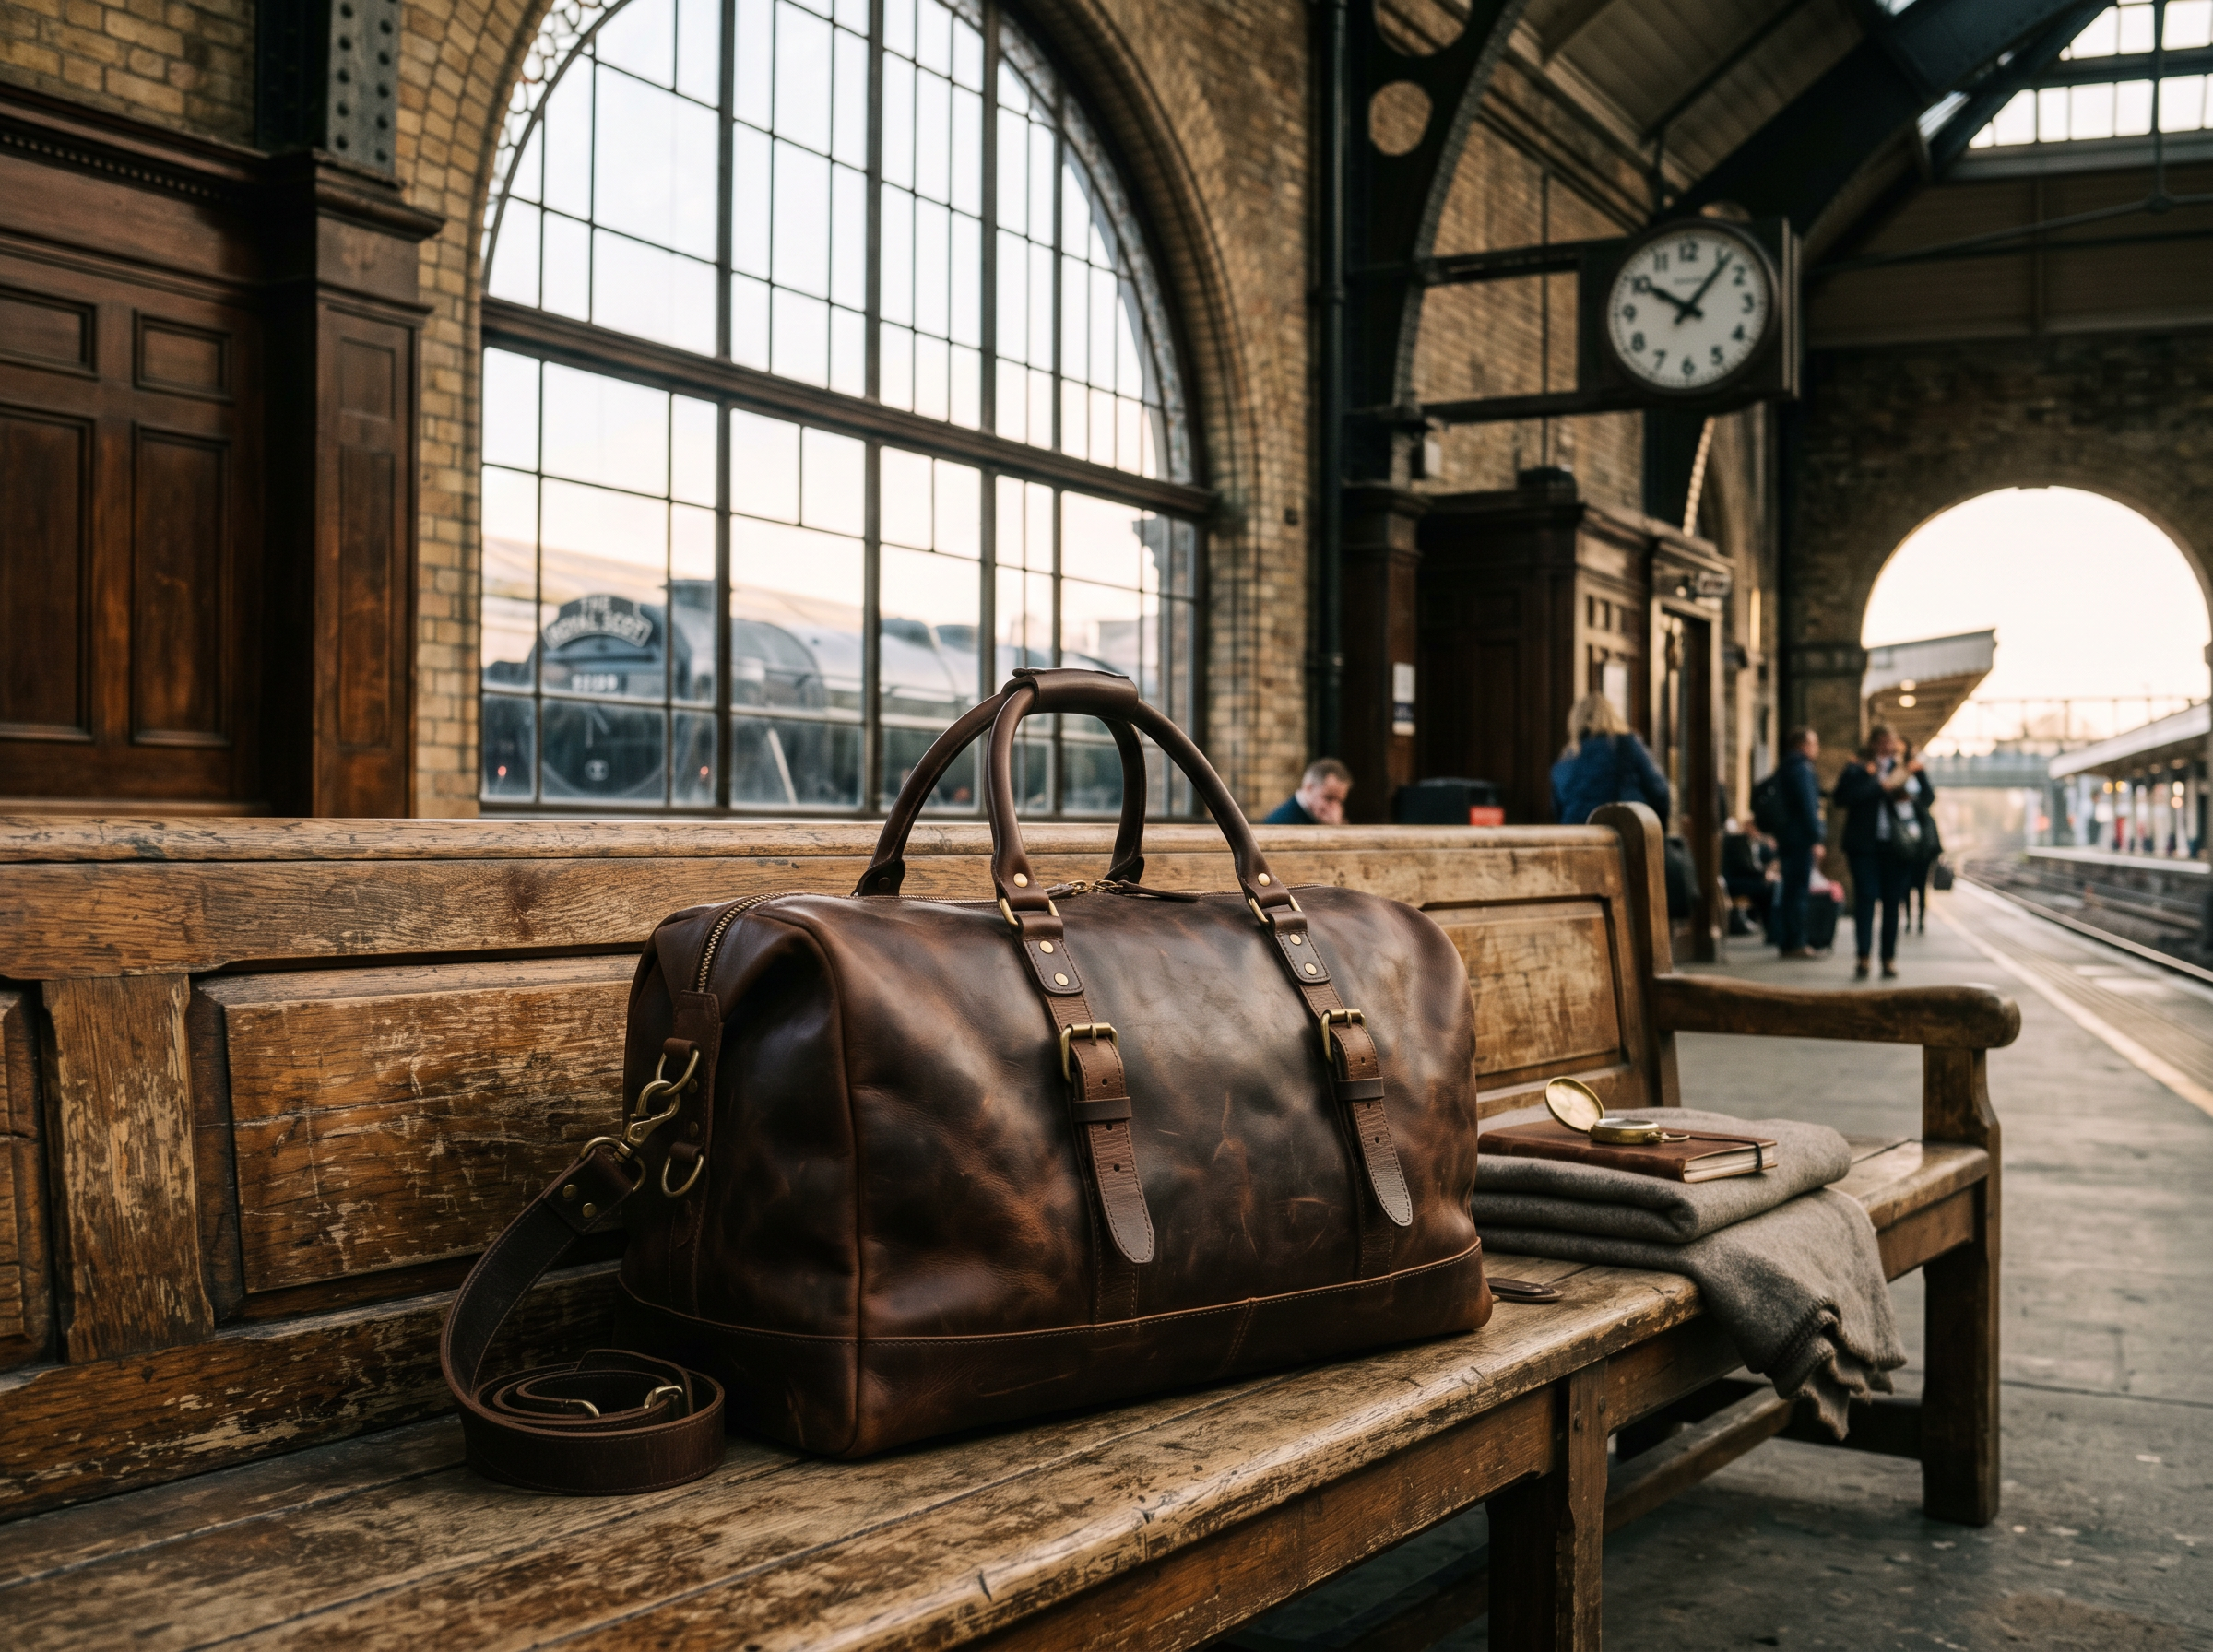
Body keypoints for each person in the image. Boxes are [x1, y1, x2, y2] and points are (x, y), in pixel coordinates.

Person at [1833, 723, 1924, 980]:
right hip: (1864, 845)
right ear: (1872, 744)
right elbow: (1841, 798)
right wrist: (1878, 786)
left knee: (1893, 902)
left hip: (1897, 847)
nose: (1886, 746)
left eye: (1890, 741)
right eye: (1881, 741)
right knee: (1865, 898)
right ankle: (1863, 957)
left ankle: (1888, 959)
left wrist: (1912, 782)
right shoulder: (1857, 768)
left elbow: (1926, 798)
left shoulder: (1905, 770)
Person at [1550, 693, 1670, 826]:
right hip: (1623, 834)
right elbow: (1660, 791)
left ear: (1574, 721)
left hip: (1577, 838)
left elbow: (1559, 811)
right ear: (1611, 716)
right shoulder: (1626, 745)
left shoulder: (1565, 760)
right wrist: (1659, 829)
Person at [1769, 728, 1825, 958]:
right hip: (1800, 838)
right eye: (1814, 743)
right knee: (1798, 891)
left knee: (1790, 890)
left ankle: (1787, 940)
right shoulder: (1802, 769)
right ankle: (1797, 942)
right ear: (1803, 745)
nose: (1817, 748)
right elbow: (1808, 806)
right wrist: (1816, 838)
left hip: (1786, 836)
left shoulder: (1784, 767)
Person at [1898, 739, 1941, 933]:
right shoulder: (1893, 771)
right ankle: (1908, 920)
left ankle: (1920, 920)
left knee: (1920, 884)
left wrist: (1919, 772)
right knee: (1905, 884)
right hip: (1900, 840)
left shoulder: (1918, 773)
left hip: (1921, 844)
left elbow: (1929, 797)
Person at [1263, 758, 1351, 824]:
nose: (1334, 807)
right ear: (1309, 788)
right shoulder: (1281, 821)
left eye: (1340, 801)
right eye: (1329, 798)